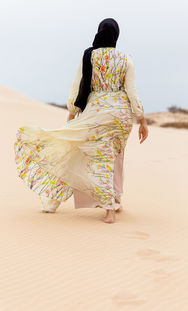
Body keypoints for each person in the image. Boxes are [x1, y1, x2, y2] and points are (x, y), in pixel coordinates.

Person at [14, 18, 148, 224]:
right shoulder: (126, 59)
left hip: (97, 112)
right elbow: (132, 92)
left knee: (98, 159)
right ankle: (117, 201)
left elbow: (78, 86)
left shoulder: (90, 56)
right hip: (121, 116)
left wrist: (71, 112)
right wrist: (142, 119)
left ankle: (109, 209)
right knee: (116, 157)